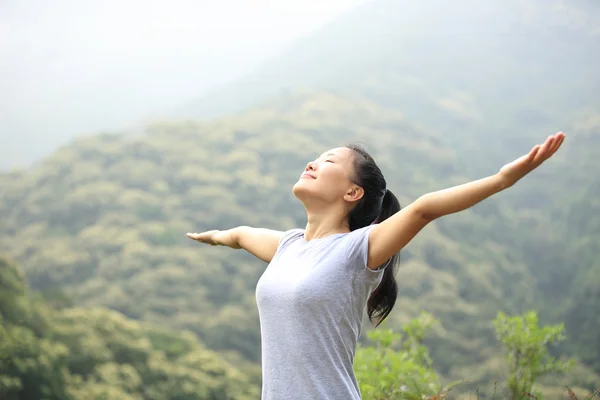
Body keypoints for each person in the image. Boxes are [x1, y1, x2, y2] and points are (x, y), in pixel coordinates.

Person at [187, 131, 565, 400]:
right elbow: (240, 234)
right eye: (317, 158)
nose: (312, 163)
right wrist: (215, 234)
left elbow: (423, 209)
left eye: (328, 161)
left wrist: (501, 180)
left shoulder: (357, 251)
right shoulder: (287, 246)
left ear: (353, 193)